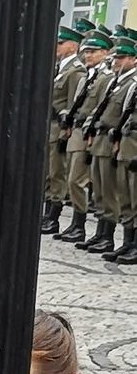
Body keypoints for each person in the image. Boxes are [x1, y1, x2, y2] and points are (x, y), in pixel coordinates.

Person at [57, 33, 114, 243]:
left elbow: (101, 108)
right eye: (86, 51)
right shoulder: (87, 77)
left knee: (78, 180)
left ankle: (84, 226)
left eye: (93, 52)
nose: (88, 55)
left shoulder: (105, 79)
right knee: (72, 180)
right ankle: (77, 223)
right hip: (77, 131)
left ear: (104, 53)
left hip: (89, 134)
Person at [84, 41, 137, 257]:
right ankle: (125, 242)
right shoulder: (121, 84)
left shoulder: (130, 83)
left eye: (121, 58)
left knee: (133, 197)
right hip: (122, 144)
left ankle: (132, 245)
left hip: (131, 146)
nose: (116, 62)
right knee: (122, 196)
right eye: (116, 58)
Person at [43, 26, 88, 235]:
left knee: (57, 174)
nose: (57, 47)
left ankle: (53, 217)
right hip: (48, 128)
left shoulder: (75, 71)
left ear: (72, 46)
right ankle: (46, 213)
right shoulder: (59, 68)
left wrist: (64, 133)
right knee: (48, 174)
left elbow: (71, 106)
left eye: (61, 44)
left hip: (58, 129)